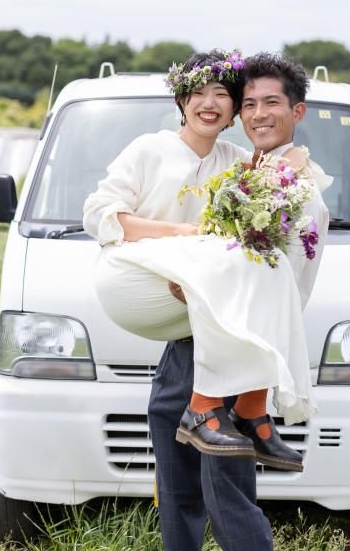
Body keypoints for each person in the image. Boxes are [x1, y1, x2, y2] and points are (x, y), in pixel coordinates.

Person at [90, 52, 327, 551]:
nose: (212, 103)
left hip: (221, 338)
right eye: (201, 93)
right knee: (176, 489)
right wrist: (182, 244)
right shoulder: (150, 150)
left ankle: (245, 416)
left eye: (224, 95)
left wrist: (299, 158)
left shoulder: (238, 163)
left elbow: (280, 179)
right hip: (180, 339)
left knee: (228, 487)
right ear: (181, 99)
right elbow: (102, 214)